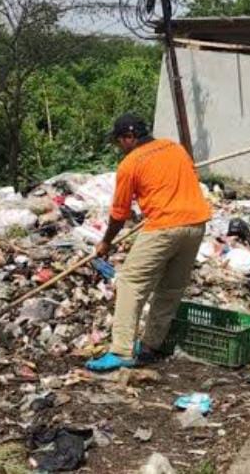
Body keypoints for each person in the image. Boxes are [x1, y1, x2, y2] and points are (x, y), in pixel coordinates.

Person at [85, 114, 211, 372]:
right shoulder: (176, 149)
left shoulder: (130, 164)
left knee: (131, 282)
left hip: (163, 227)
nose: (120, 146)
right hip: (196, 224)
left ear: (129, 138)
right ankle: (151, 346)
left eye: (120, 141)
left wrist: (106, 242)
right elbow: (186, 181)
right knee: (171, 288)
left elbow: (119, 214)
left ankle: (121, 350)